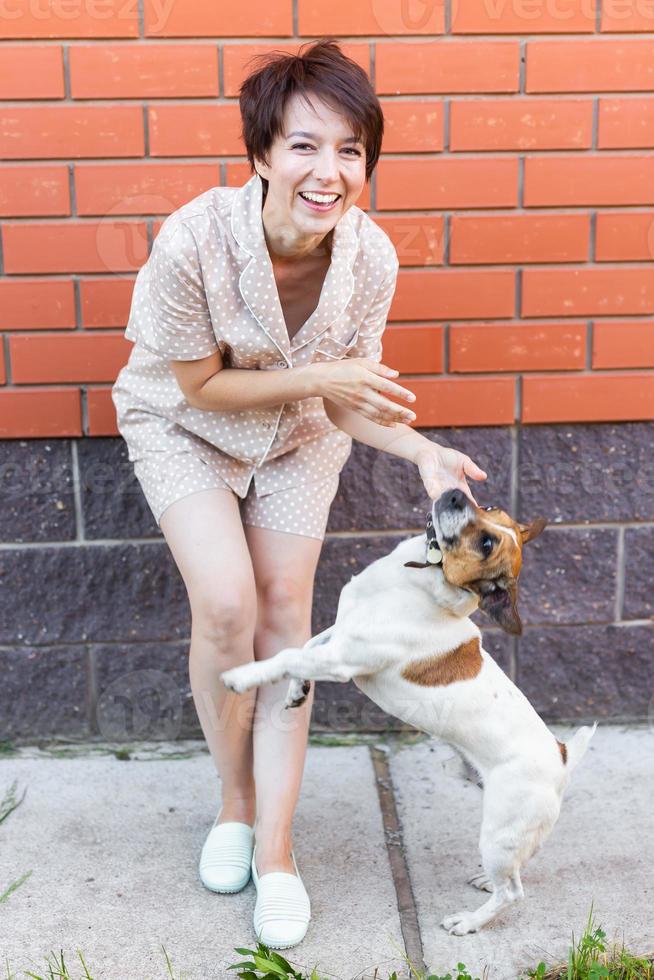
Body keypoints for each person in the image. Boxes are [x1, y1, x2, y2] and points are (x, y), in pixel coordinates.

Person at [111, 38, 487, 950]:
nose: (330, 172)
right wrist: (333, 376)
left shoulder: (370, 258)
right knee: (228, 603)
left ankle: (275, 853)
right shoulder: (194, 237)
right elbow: (200, 387)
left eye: (351, 150)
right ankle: (234, 806)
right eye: (306, 146)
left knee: (287, 613)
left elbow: (346, 402)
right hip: (183, 422)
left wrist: (418, 451)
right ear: (262, 156)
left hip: (297, 439)